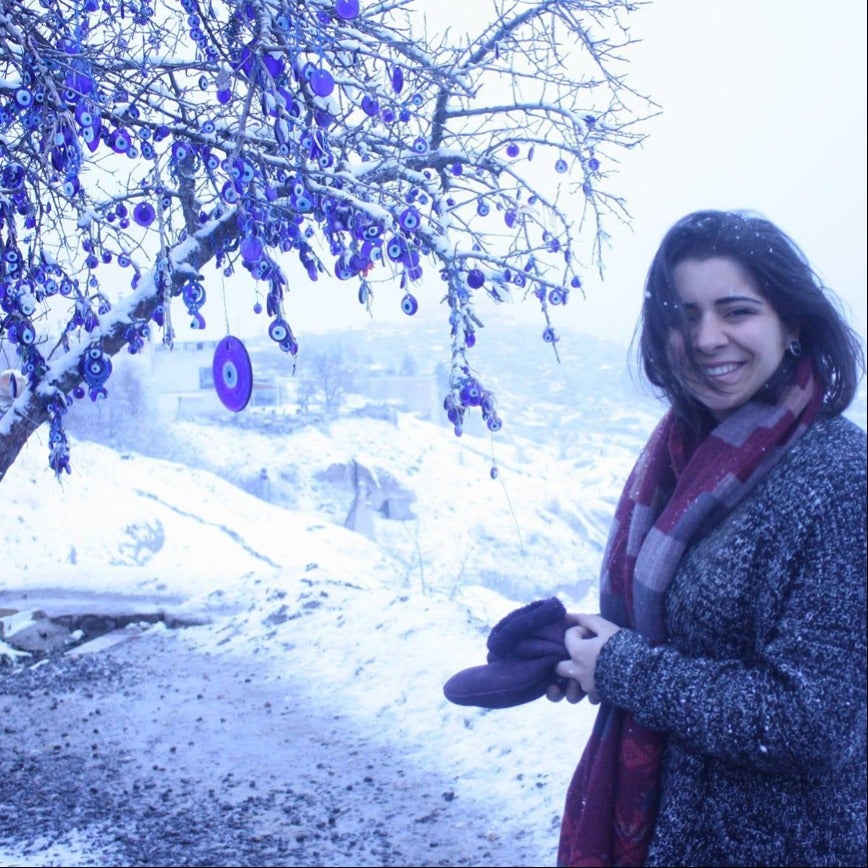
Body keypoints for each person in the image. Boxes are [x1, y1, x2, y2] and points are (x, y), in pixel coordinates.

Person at [547, 209, 867, 868]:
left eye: (736, 311)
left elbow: (809, 719)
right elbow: (689, 638)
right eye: (684, 316)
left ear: (793, 325)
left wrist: (625, 668)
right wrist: (589, 649)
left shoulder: (840, 478)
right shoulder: (683, 457)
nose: (706, 337)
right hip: (676, 830)